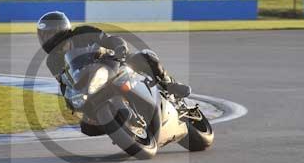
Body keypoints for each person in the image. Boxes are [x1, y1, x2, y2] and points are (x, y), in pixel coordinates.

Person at [37, 11, 191, 136]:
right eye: (43, 35)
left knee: (146, 57)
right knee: (87, 127)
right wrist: (70, 99)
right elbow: (65, 82)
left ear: (60, 29)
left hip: (113, 63)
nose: (46, 38)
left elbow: (109, 39)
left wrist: (119, 47)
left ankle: (168, 84)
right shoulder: (53, 61)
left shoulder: (82, 32)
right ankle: (121, 126)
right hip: (91, 84)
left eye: (49, 33)